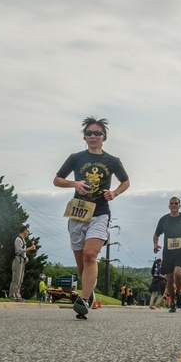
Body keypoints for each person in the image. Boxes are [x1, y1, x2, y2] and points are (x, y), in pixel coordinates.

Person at [54, 116, 130, 320]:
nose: (93, 136)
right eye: (89, 133)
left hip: (100, 212)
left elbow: (125, 182)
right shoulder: (75, 158)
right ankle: (90, 291)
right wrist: (74, 184)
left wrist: (114, 193)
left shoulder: (112, 161)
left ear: (104, 137)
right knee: (81, 266)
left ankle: (85, 300)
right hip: (78, 212)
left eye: (97, 133)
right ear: (84, 137)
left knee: (90, 255)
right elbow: (57, 180)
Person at [153, 197, 181, 314]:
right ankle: (172, 302)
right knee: (170, 278)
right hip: (168, 253)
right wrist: (156, 244)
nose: (174, 205)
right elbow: (156, 234)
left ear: (179, 206)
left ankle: (178, 293)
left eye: (176, 203)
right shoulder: (164, 220)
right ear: (168, 206)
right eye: (171, 203)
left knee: (178, 273)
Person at [10, 224, 36, 302]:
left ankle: (17, 295)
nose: (28, 232)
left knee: (20, 279)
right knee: (16, 279)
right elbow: (18, 251)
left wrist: (25, 257)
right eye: (27, 231)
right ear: (24, 231)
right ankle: (12, 295)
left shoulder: (22, 240)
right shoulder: (18, 240)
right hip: (17, 261)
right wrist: (30, 248)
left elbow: (23, 252)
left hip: (21, 261)